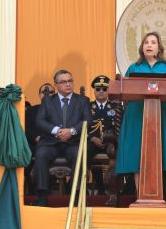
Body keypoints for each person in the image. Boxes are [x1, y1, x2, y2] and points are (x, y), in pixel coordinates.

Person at [115, 32, 166, 207]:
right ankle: (141, 196)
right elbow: (123, 90)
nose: (149, 45)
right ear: (141, 47)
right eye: (146, 42)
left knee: (159, 153)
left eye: (153, 42)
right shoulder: (134, 68)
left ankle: (158, 196)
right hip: (136, 115)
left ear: (159, 47)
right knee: (138, 154)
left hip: (161, 115)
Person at [31, 69, 92, 206]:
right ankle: (42, 196)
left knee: (79, 153)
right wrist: (57, 131)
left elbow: (88, 120)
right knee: (41, 153)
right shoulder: (48, 101)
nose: (68, 84)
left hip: (73, 142)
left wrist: (71, 131)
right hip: (52, 142)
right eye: (63, 82)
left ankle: (76, 195)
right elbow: (40, 121)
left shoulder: (82, 100)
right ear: (56, 84)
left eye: (70, 81)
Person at [87, 75, 123, 205]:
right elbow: (83, 125)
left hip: (110, 142)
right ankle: (90, 188)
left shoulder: (116, 106)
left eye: (104, 88)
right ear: (94, 91)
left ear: (108, 91)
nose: (101, 91)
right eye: (98, 89)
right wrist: (92, 138)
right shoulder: (87, 106)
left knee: (114, 152)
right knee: (85, 153)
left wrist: (110, 139)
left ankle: (113, 189)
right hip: (92, 141)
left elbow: (119, 127)